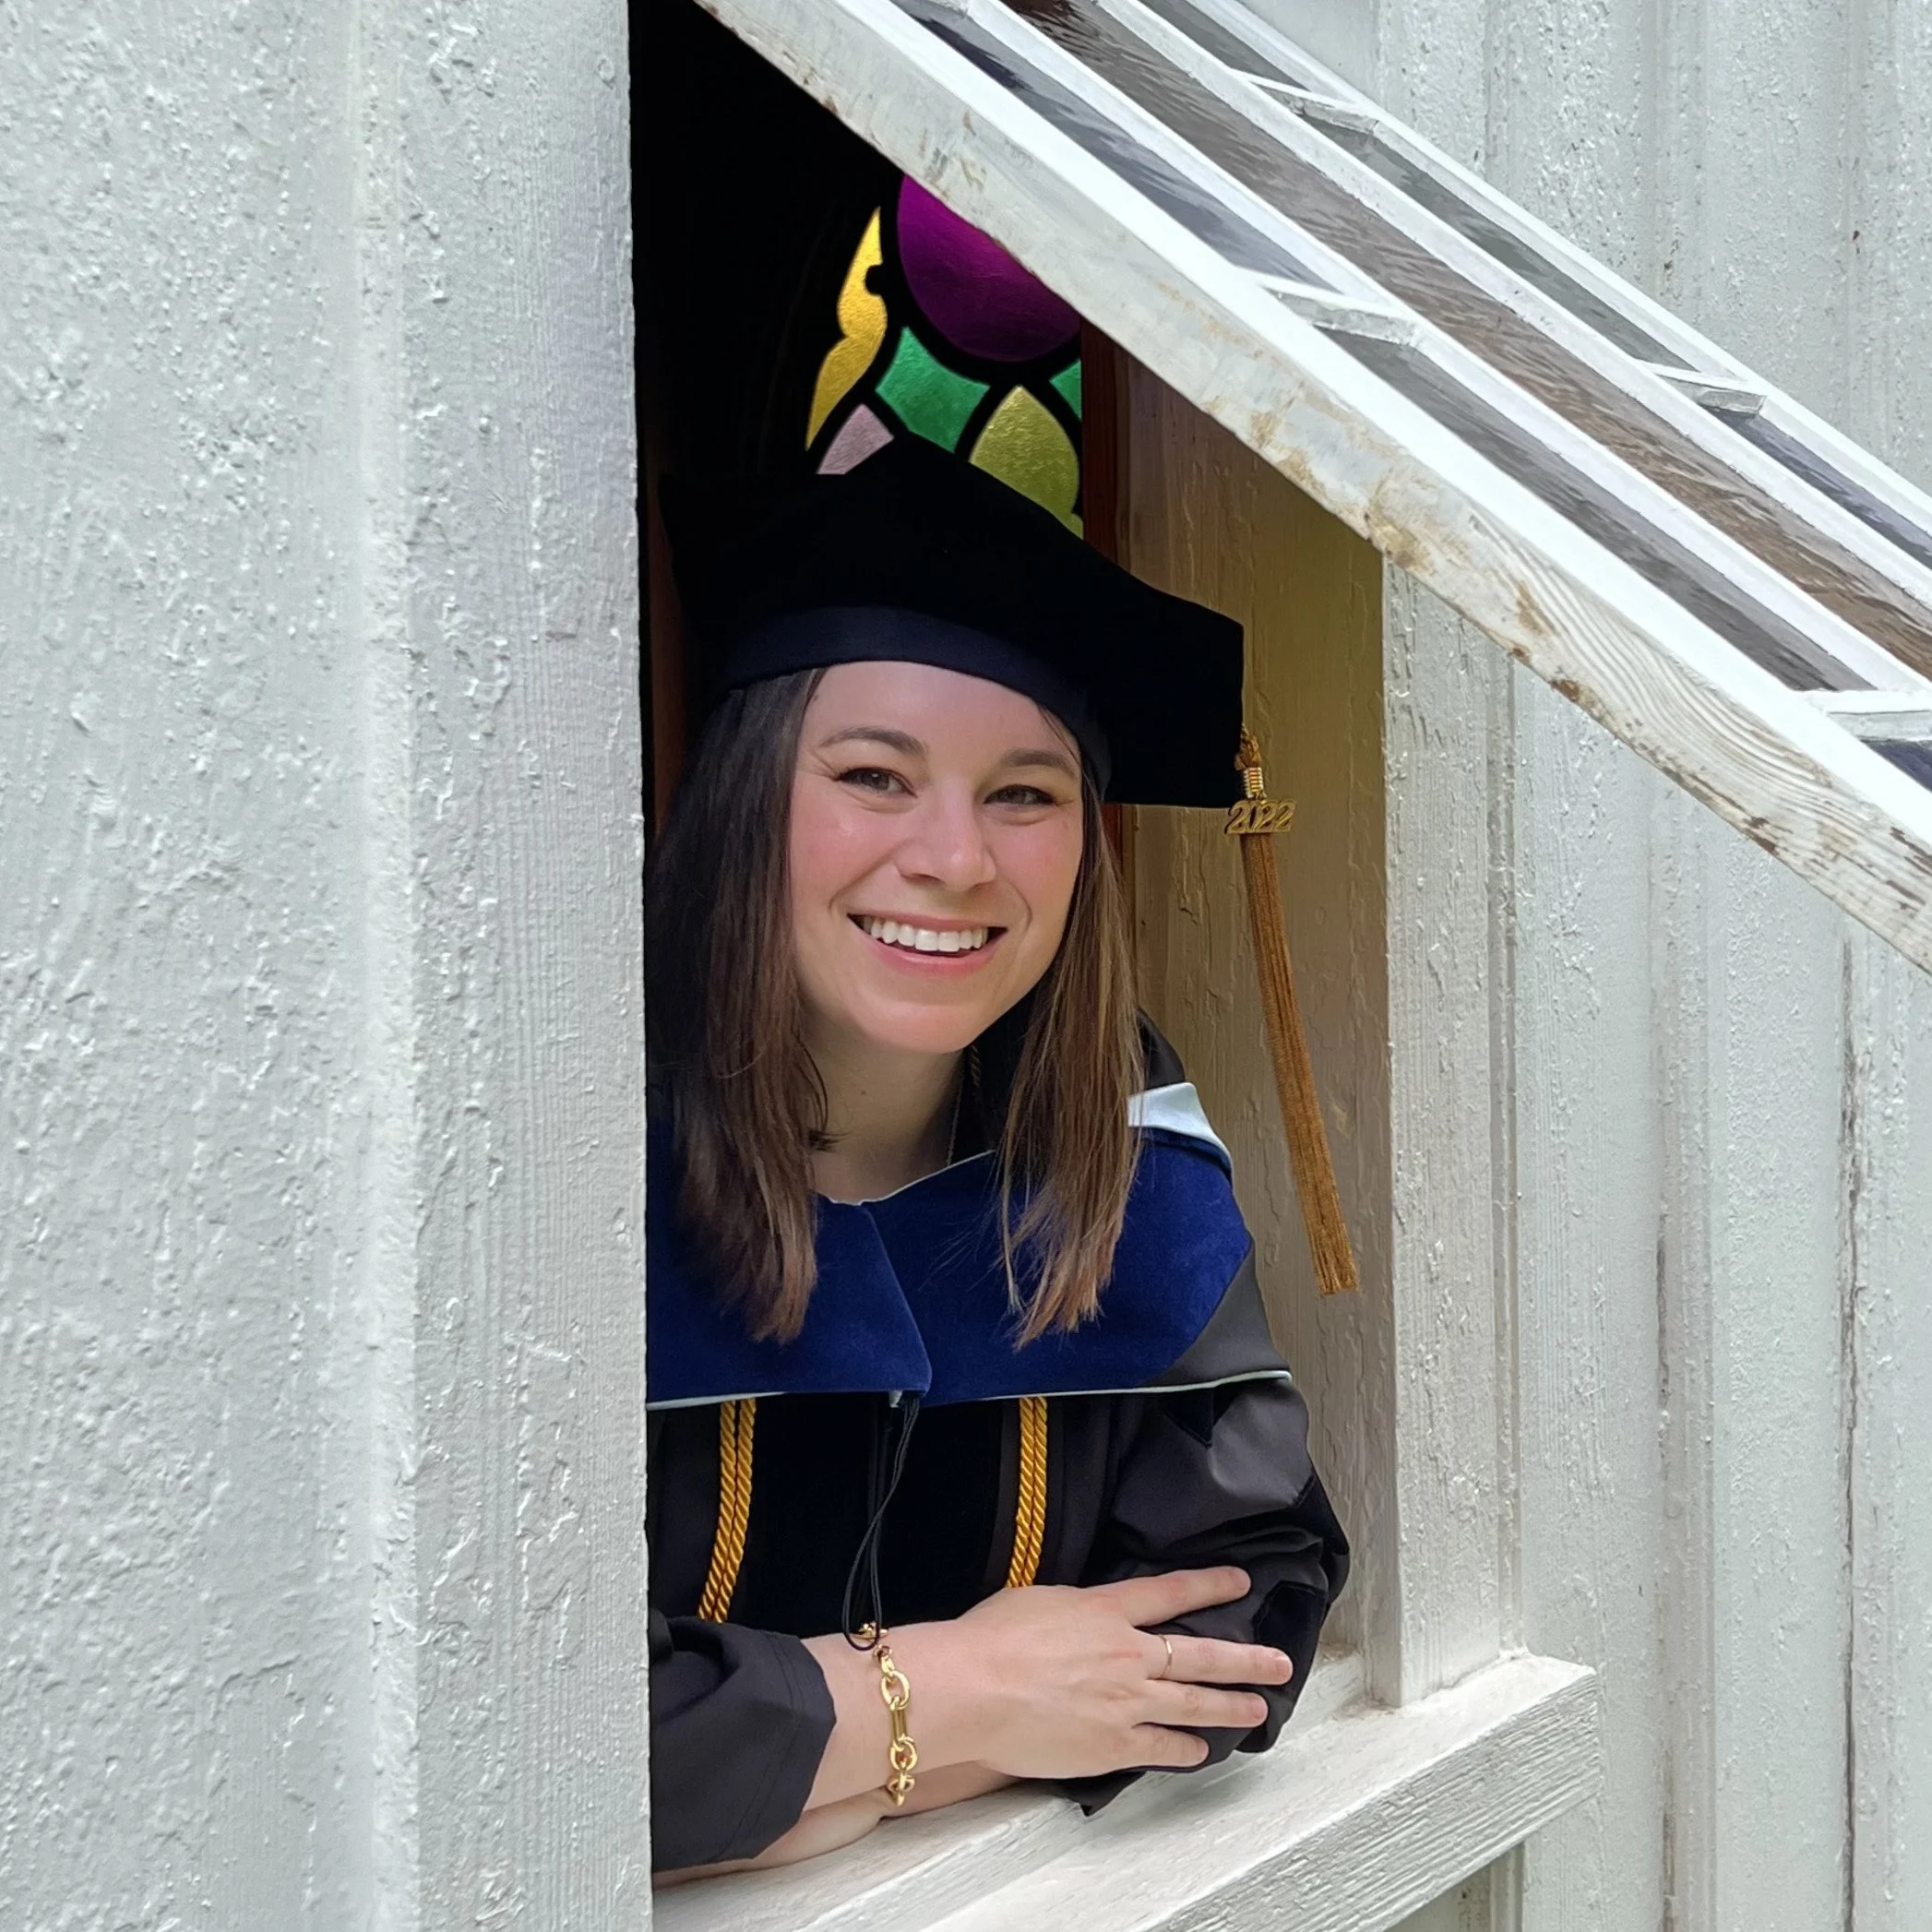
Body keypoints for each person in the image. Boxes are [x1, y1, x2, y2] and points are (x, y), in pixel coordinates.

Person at [645, 436, 1349, 1880]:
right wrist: (948, 1699)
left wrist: (808, 1773)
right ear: (743, 799)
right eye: (871, 775)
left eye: (1025, 795)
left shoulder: (1116, 1141)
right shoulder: (552, 1166)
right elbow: (505, 1735)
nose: (956, 858)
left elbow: (1247, 1607)